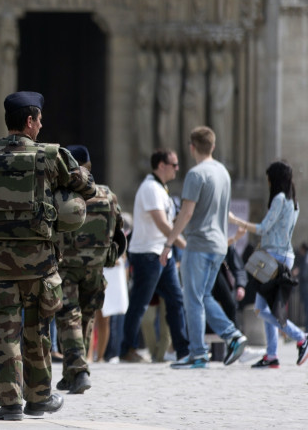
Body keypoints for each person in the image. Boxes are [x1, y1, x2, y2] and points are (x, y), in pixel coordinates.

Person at [0, 91, 96, 420]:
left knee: (4, 334)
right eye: (40, 120)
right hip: (39, 267)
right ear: (30, 122)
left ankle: (9, 405)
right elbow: (88, 189)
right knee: (37, 332)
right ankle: (39, 398)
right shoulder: (52, 155)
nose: (42, 125)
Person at [160, 126, 247, 369]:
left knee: (193, 298)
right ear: (213, 146)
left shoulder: (196, 174)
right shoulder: (223, 173)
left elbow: (186, 212)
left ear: (191, 147)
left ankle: (202, 351)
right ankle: (225, 339)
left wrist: (169, 243)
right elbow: (225, 211)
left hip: (198, 244)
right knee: (203, 296)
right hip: (219, 244)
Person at [55, 144, 126, 394]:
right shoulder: (107, 195)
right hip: (95, 267)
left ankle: (79, 370)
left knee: (69, 317)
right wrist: (109, 256)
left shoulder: (61, 195)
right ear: (89, 166)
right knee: (86, 317)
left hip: (67, 267)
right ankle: (72, 373)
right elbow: (120, 231)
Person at [229, 161, 308, 368]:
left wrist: (237, 221)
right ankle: (272, 355)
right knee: (267, 308)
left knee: (261, 309)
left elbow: (264, 228)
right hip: (284, 256)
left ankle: (301, 337)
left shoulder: (279, 199)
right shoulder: (294, 202)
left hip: (274, 257)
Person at [120, 149, 190, 364]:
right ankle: (127, 349)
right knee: (140, 303)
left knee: (176, 301)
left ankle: (183, 350)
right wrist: (185, 245)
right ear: (161, 165)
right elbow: (161, 223)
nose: (177, 168)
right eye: (174, 164)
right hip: (148, 254)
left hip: (162, 253)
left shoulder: (161, 188)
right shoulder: (150, 187)